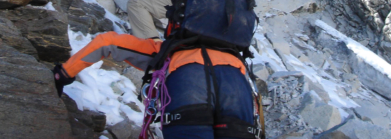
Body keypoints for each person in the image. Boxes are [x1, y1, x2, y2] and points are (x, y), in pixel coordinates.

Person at [53, 31, 258, 139]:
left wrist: (64, 73)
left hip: (188, 78)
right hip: (236, 82)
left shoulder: (168, 49)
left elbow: (107, 42)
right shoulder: (236, 57)